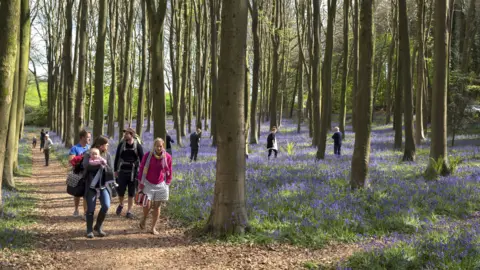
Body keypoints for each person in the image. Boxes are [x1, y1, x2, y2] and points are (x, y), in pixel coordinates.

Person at [137, 138, 172, 235]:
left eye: (161, 146)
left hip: (160, 184)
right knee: (147, 204)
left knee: (157, 206)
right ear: (154, 146)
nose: (159, 148)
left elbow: (169, 170)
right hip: (147, 182)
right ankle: (144, 218)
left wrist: (168, 182)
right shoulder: (147, 156)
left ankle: (153, 228)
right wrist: (140, 181)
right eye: (157, 146)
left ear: (163, 146)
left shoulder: (167, 157)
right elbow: (142, 168)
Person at [82, 136, 115, 238]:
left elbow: (110, 170)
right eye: (106, 144)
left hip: (103, 186)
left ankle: (98, 226)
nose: (108, 146)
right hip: (91, 186)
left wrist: (102, 165)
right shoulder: (88, 153)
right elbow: (87, 166)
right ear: (100, 146)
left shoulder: (107, 155)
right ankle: (89, 230)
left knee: (106, 205)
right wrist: (100, 164)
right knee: (90, 208)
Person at [114, 127, 144, 219]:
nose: (125, 135)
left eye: (127, 133)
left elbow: (142, 159)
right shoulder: (121, 145)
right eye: (124, 133)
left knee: (131, 192)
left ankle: (129, 211)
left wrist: (141, 173)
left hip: (133, 172)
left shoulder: (137, 145)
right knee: (120, 191)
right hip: (122, 171)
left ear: (132, 135)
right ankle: (121, 204)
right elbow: (116, 157)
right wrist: (115, 170)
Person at [68, 130, 91, 218]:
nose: (89, 139)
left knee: (86, 193)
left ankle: (85, 212)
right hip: (77, 173)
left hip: (87, 174)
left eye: (90, 137)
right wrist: (82, 157)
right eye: (88, 137)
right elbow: (71, 160)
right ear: (82, 138)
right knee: (77, 193)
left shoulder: (90, 148)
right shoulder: (75, 148)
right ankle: (76, 209)